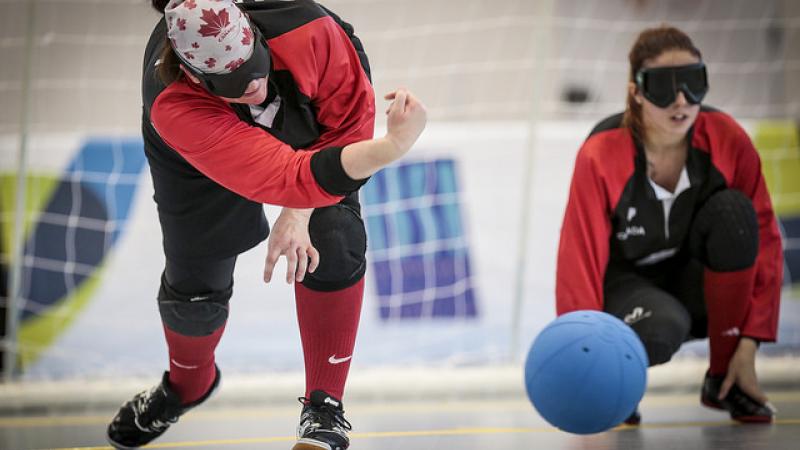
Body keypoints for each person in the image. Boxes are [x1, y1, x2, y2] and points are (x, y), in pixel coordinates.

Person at [106, 0, 426, 449]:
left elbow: (348, 129)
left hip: (307, 105)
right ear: (197, 77)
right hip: (195, 147)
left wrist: (300, 212)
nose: (254, 89)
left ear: (253, 32)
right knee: (195, 286)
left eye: (254, 68)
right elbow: (289, 178)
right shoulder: (174, 101)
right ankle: (187, 386)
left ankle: (324, 410)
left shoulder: (307, 27)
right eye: (236, 85)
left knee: (334, 234)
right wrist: (391, 147)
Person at [556, 25, 782, 425]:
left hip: (699, 284)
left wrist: (749, 343)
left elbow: (764, 239)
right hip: (628, 289)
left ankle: (725, 379)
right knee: (660, 328)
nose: (681, 100)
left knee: (734, 214)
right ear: (636, 92)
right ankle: (619, 380)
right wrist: (589, 364)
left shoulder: (727, 139)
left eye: (694, 82)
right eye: (664, 86)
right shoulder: (600, 153)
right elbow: (580, 258)